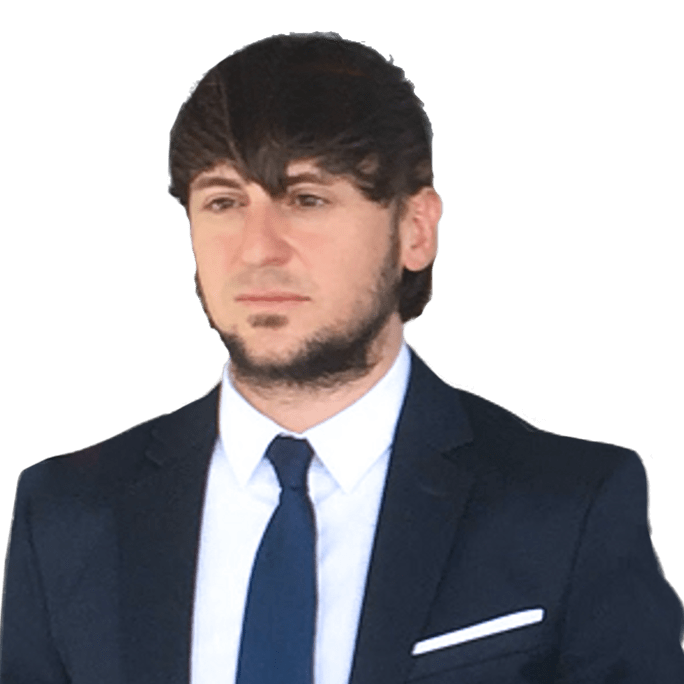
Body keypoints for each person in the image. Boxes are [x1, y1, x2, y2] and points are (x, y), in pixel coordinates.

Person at [1, 30, 683, 684]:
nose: (257, 248)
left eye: (306, 198)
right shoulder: (67, 513)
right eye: (224, 201)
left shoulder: (566, 507)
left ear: (415, 229)